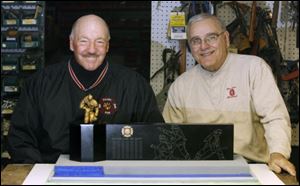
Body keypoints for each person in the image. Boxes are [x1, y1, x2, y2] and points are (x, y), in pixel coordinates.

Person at [8, 14, 164, 163]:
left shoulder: (135, 86)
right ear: (71, 43)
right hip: (53, 172)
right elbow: (21, 140)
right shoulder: (40, 84)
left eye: (100, 42)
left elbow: (154, 137)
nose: (91, 49)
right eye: (83, 41)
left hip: (115, 174)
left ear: (108, 45)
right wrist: (42, 175)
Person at [163, 13, 296, 176]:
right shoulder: (180, 86)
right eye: (196, 41)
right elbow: (170, 135)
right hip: (199, 171)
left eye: (211, 37)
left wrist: (278, 153)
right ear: (190, 47)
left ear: (225, 38)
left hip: (253, 167)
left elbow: (275, 117)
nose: (203, 46)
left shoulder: (254, 69)